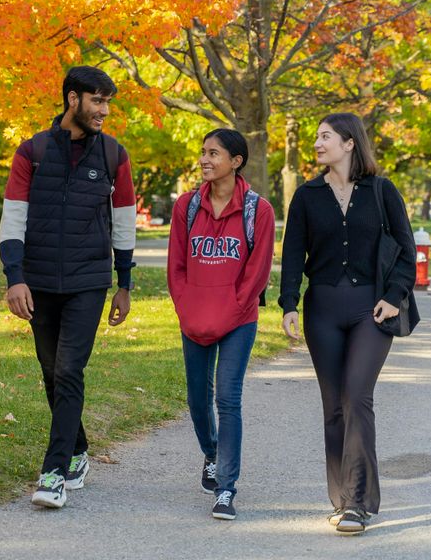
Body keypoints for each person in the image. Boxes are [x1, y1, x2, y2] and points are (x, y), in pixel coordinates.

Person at [0, 65, 137, 509]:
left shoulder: (115, 155)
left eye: (108, 102)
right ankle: (77, 450)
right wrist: (14, 277)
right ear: (72, 99)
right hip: (38, 280)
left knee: (69, 370)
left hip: (88, 281)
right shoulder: (33, 150)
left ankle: (54, 472)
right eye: (97, 101)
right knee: (50, 370)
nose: (104, 110)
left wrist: (124, 283)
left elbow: (124, 221)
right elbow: (13, 216)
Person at [279, 113, 415, 534]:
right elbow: (292, 255)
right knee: (333, 406)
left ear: (349, 143)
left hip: (370, 310)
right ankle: (340, 498)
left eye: (325, 137)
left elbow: (407, 250)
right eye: (316, 136)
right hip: (322, 308)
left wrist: (394, 298)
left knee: (357, 397)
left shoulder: (382, 191)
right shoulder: (307, 195)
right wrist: (289, 305)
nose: (317, 143)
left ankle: (358, 502)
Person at [167, 128, 275, 521]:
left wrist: (231, 310)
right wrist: (186, 306)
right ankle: (211, 454)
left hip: (237, 320)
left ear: (236, 161)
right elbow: (176, 266)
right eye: (203, 152)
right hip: (194, 317)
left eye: (214, 153)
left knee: (227, 399)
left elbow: (257, 273)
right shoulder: (186, 207)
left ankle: (226, 488)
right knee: (198, 398)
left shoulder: (257, 211)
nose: (205, 160)